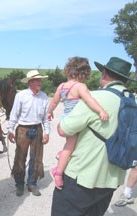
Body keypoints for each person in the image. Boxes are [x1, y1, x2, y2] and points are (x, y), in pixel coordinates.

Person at [51, 56, 136, 216]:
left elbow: (64, 130)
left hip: (82, 178)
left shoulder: (95, 97)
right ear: (124, 80)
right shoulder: (131, 102)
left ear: (104, 73)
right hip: (111, 180)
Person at [47, 57, 109, 190]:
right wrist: (101, 111)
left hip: (65, 119)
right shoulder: (80, 86)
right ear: (84, 73)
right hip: (74, 121)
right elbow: (89, 100)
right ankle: (58, 172)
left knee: (72, 144)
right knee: (70, 147)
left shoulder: (62, 86)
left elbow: (54, 102)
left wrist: (49, 112)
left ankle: (62, 155)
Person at [8, 69, 50, 197]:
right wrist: (10, 130)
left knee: (36, 158)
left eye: (40, 80)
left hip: (37, 129)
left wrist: (47, 132)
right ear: (30, 82)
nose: (40, 82)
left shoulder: (44, 96)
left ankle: (32, 183)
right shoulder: (21, 96)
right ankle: (19, 184)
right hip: (22, 129)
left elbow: (46, 117)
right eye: (37, 80)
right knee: (20, 157)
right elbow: (14, 113)